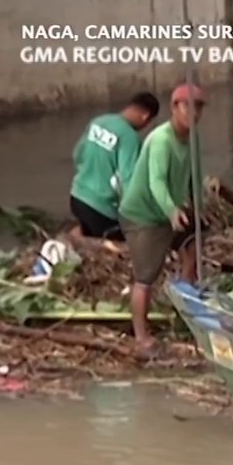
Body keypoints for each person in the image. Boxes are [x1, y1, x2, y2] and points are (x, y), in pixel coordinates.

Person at [118, 83, 207, 357]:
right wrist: (171, 211)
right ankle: (141, 337)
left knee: (193, 247)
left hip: (170, 211)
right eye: (188, 106)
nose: (194, 113)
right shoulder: (161, 140)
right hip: (143, 215)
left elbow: (194, 175)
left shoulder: (191, 139)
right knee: (146, 277)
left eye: (200, 107)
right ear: (175, 108)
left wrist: (197, 206)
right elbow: (157, 182)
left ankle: (185, 303)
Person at [68, 92, 161, 246]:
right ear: (145, 116)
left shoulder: (98, 122)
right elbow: (129, 181)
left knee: (88, 226)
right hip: (101, 210)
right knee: (137, 240)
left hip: (76, 198)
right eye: (149, 122)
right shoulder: (129, 137)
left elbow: (77, 155)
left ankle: (80, 234)